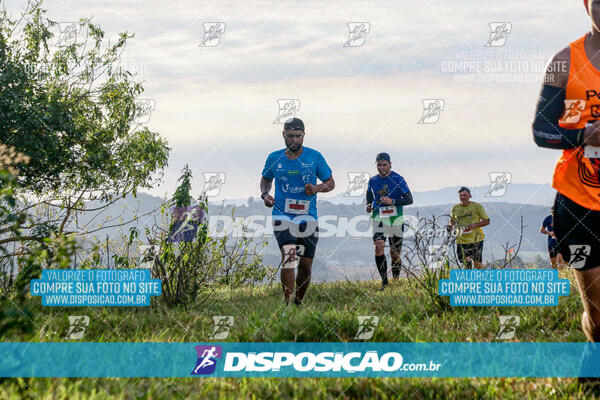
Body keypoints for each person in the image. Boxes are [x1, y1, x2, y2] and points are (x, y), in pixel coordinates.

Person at [531, 0, 600, 347]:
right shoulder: (564, 62)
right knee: (599, 316)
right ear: (587, 5)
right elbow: (541, 131)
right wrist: (582, 136)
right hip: (579, 202)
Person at [260, 117, 334, 305]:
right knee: (289, 256)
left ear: (304, 135)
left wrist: (317, 188)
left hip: (308, 217)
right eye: (290, 136)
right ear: (283, 135)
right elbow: (266, 179)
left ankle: (298, 302)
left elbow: (331, 183)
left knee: (306, 264)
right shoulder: (274, 157)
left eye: (298, 136)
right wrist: (265, 194)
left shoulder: (314, 156)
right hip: (282, 215)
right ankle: (287, 303)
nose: (294, 140)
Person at [366, 153, 413, 290]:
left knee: (395, 253)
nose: (381, 168)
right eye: (379, 165)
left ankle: (396, 280)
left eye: (384, 165)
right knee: (379, 246)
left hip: (395, 219)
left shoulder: (398, 179)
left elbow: (409, 199)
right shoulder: (373, 180)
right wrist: (369, 205)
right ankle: (385, 282)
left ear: (390, 164)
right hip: (379, 217)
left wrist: (392, 201)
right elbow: (369, 195)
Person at [449, 187, 490, 269]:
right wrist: (450, 227)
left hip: (476, 239)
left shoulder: (477, 206)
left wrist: (473, 226)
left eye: (465, 195)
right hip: (461, 240)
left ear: (470, 196)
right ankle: (470, 279)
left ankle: (485, 276)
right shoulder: (455, 208)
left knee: (477, 263)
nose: (462, 197)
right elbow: (452, 221)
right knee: (465, 263)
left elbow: (487, 221)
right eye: (460, 195)